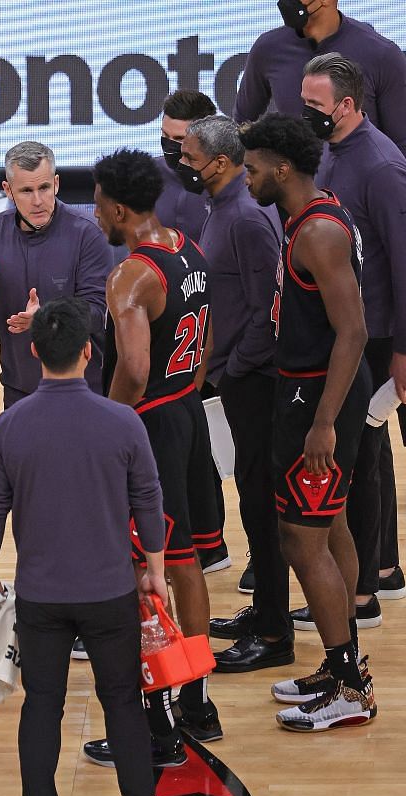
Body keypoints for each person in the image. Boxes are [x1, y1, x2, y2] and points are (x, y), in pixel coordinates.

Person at [0, 297, 166, 796]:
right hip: (110, 593)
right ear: (88, 351)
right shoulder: (122, 422)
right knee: (123, 698)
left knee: (43, 704)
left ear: (34, 352)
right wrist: (153, 571)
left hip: (40, 598)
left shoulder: (9, 426)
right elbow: (148, 502)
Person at [84, 149, 223, 773]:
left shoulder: (131, 276)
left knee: (148, 571)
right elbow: (207, 341)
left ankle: (156, 719)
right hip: (187, 413)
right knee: (189, 560)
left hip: (149, 428)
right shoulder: (187, 248)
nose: (94, 212)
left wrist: (104, 425)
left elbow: (134, 370)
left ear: (117, 207)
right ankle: (197, 701)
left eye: (96, 202)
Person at [240, 113, 376, 730]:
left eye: (252, 168)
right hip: (312, 393)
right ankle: (340, 661)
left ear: (282, 168)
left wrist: (324, 423)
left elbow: (354, 331)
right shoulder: (306, 216)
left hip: (320, 399)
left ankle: (349, 686)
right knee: (332, 525)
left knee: (302, 539)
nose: (247, 178)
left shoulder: (318, 231)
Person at [287, 53, 406, 632]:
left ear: (348, 105)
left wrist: (404, 348)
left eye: (314, 106)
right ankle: (380, 573)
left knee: (355, 463)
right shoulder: (334, 151)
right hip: (351, 329)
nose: (305, 114)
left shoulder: (382, 167)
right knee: (362, 460)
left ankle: (361, 596)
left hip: (377, 334)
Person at [177, 116, 293, 672]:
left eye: (191, 155)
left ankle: (275, 633)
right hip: (232, 379)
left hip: (251, 384)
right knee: (250, 499)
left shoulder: (246, 219)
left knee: (262, 503)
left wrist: (232, 370)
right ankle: (266, 610)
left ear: (221, 163)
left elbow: (266, 310)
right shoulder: (220, 208)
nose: (183, 163)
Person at [0, 141, 111, 407]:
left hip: (84, 390)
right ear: (7, 190)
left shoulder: (88, 234)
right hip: (19, 390)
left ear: (57, 183)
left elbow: (97, 315)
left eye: (44, 187)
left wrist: (45, 318)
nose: (38, 200)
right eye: (27, 191)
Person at [156, 90, 233, 579]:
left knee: (230, 452)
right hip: (173, 339)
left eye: (181, 143)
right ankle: (198, 543)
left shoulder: (232, 194)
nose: (171, 153)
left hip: (225, 343)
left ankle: (233, 547)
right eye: (164, 140)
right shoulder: (154, 183)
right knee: (182, 444)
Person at [234, 0, 406, 155]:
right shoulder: (268, 49)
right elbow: (241, 125)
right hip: (297, 185)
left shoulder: (382, 54)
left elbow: (401, 146)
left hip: (360, 182)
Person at [156, 89, 216, 243]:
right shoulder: (147, 175)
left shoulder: (228, 182)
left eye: (179, 138)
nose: (169, 144)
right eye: (165, 135)